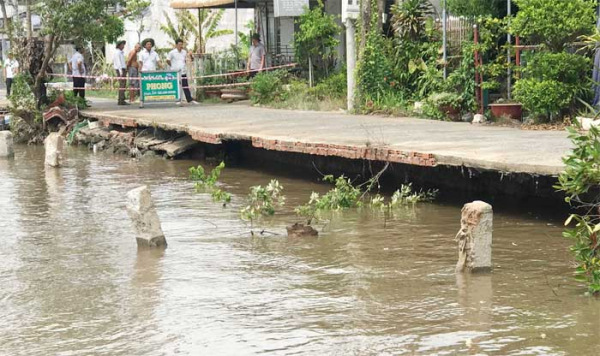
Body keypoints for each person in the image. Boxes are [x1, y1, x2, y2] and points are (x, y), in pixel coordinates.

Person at [167, 38, 198, 105]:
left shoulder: (184, 52)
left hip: (183, 71)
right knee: (177, 86)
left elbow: (186, 59)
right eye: (179, 44)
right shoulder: (172, 52)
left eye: (181, 44)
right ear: (176, 45)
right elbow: (168, 60)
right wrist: (172, 66)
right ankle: (177, 100)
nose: (180, 46)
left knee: (185, 86)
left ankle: (189, 100)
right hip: (175, 72)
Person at [113, 40, 128, 105]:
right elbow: (118, 63)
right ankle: (121, 100)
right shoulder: (117, 53)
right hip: (120, 69)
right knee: (122, 84)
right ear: (119, 45)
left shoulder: (121, 52)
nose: (123, 46)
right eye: (122, 44)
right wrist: (121, 71)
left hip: (123, 69)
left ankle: (122, 99)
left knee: (123, 84)